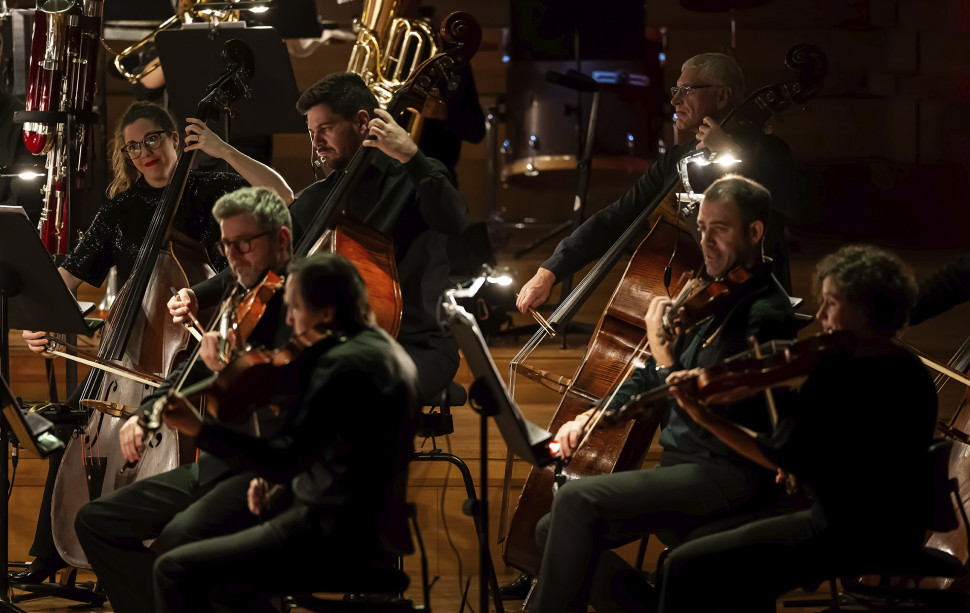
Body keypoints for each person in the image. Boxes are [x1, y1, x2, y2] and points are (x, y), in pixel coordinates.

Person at [13, 101, 293, 584]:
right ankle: (51, 552)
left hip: (193, 346)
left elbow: (283, 198)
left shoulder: (211, 188)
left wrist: (222, 150)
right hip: (127, 354)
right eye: (131, 147)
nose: (143, 152)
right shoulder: (120, 210)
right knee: (74, 423)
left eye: (151, 140)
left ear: (173, 138)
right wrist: (39, 322)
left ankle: (178, 550)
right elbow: (66, 279)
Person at [526, 174, 798, 613]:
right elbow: (650, 377)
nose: (705, 242)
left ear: (754, 232)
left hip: (729, 471)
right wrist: (592, 416)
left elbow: (710, 401)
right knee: (549, 528)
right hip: (684, 465)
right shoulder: (712, 294)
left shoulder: (766, 313)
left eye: (720, 229)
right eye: (702, 227)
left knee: (575, 500)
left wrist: (666, 356)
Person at [659, 244, 937, 612]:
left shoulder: (835, 373)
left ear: (865, 309)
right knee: (731, 557)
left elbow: (773, 454)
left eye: (830, 303)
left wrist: (703, 416)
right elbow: (861, 454)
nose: (819, 315)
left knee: (683, 563)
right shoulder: (910, 369)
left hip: (842, 531)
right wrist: (803, 464)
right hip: (898, 531)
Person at [171, 72, 467, 405]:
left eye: (325, 129)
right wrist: (197, 294)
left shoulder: (415, 177)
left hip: (417, 345)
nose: (316, 143)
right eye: (311, 133)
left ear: (362, 122)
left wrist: (412, 157)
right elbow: (262, 263)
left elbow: (454, 220)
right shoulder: (317, 199)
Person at [151, 252, 419, 612]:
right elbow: (339, 453)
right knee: (225, 580)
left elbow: (284, 458)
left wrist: (200, 429)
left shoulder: (341, 366)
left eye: (295, 308)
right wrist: (279, 484)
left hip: (331, 534)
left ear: (327, 313)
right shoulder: (384, 351)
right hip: (375, 533)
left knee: (174, 570)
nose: (289, 320)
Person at [72, 186, 297, 613]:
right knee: (95, 521)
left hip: (269, 471)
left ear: (281, 240)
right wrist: (148, 413)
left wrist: (238, 373)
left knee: (175, 548)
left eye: (245, 244)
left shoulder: (309, 303)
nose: (233, 257)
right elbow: (187, 371)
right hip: (217, 466)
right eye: (227, 245)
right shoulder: (241, 297)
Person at [515, 52, 804, 311]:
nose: (675, 100)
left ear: (721, 97)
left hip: (757, 306)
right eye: (675, 91)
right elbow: (616, 217)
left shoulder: (768, 150)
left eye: (686, 90)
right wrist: (549, 271)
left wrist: (731, 153)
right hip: (692, 307)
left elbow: (794, 207)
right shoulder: (676, 159)